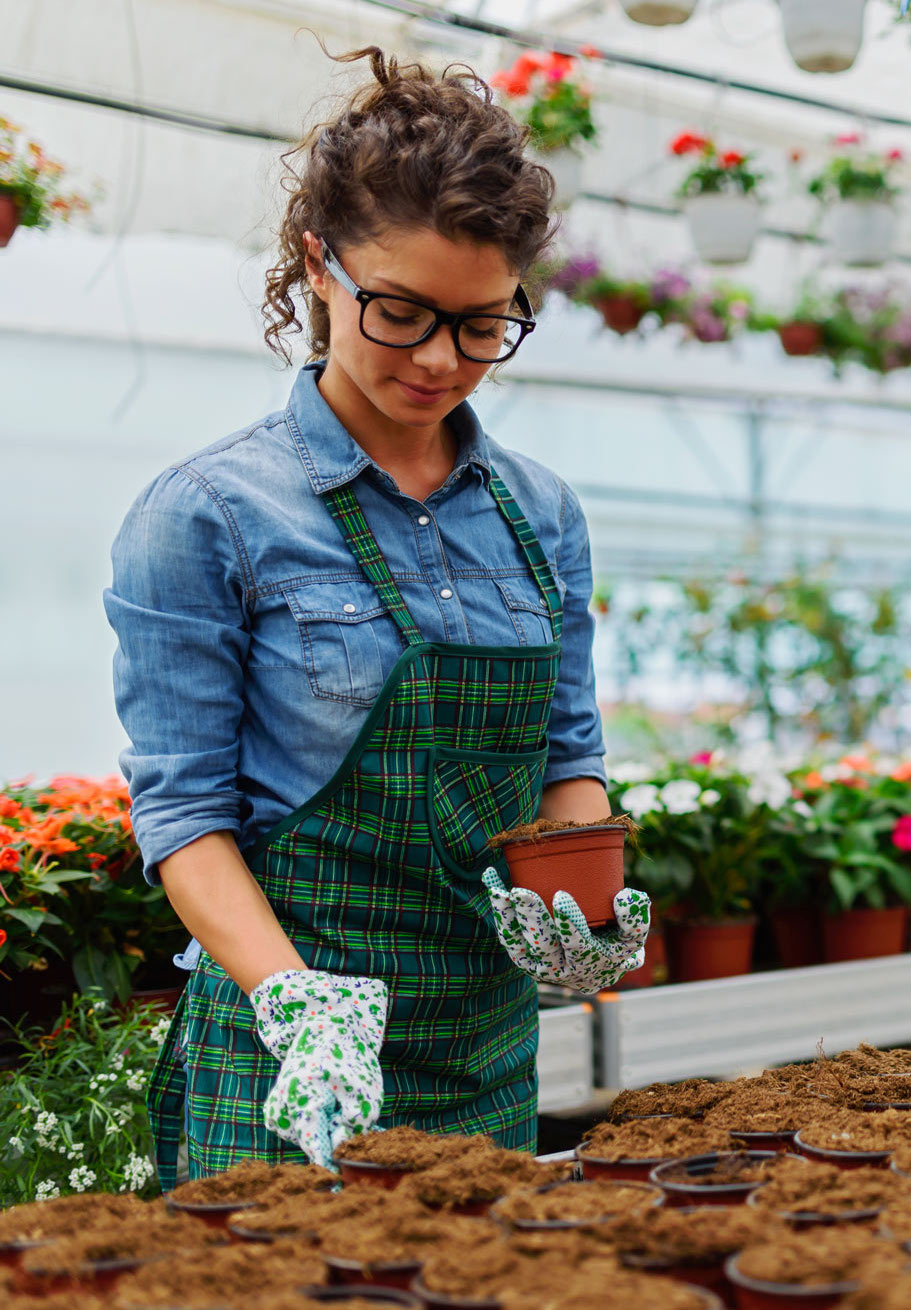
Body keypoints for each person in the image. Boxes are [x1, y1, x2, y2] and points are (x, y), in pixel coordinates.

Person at [104, 47, 651, 1187]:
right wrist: (295, 999)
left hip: (482, 1045)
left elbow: (566, 752)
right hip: (289, 1041)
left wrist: (576, 908)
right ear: (319, 264)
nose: (442, 360)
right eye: (399, 312)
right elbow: (185, 812)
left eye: (483, 324)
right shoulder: (208, 514)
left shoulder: (540, 512)